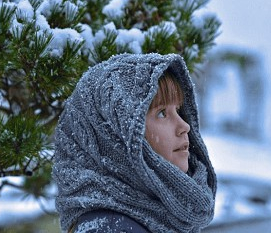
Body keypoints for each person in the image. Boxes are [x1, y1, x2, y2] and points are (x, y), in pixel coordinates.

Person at [52, 53, 216, 233]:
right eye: (162, 113)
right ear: (116, 137)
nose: (184, 126)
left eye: (178, 110)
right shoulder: (110, 229)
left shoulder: (154, 219)